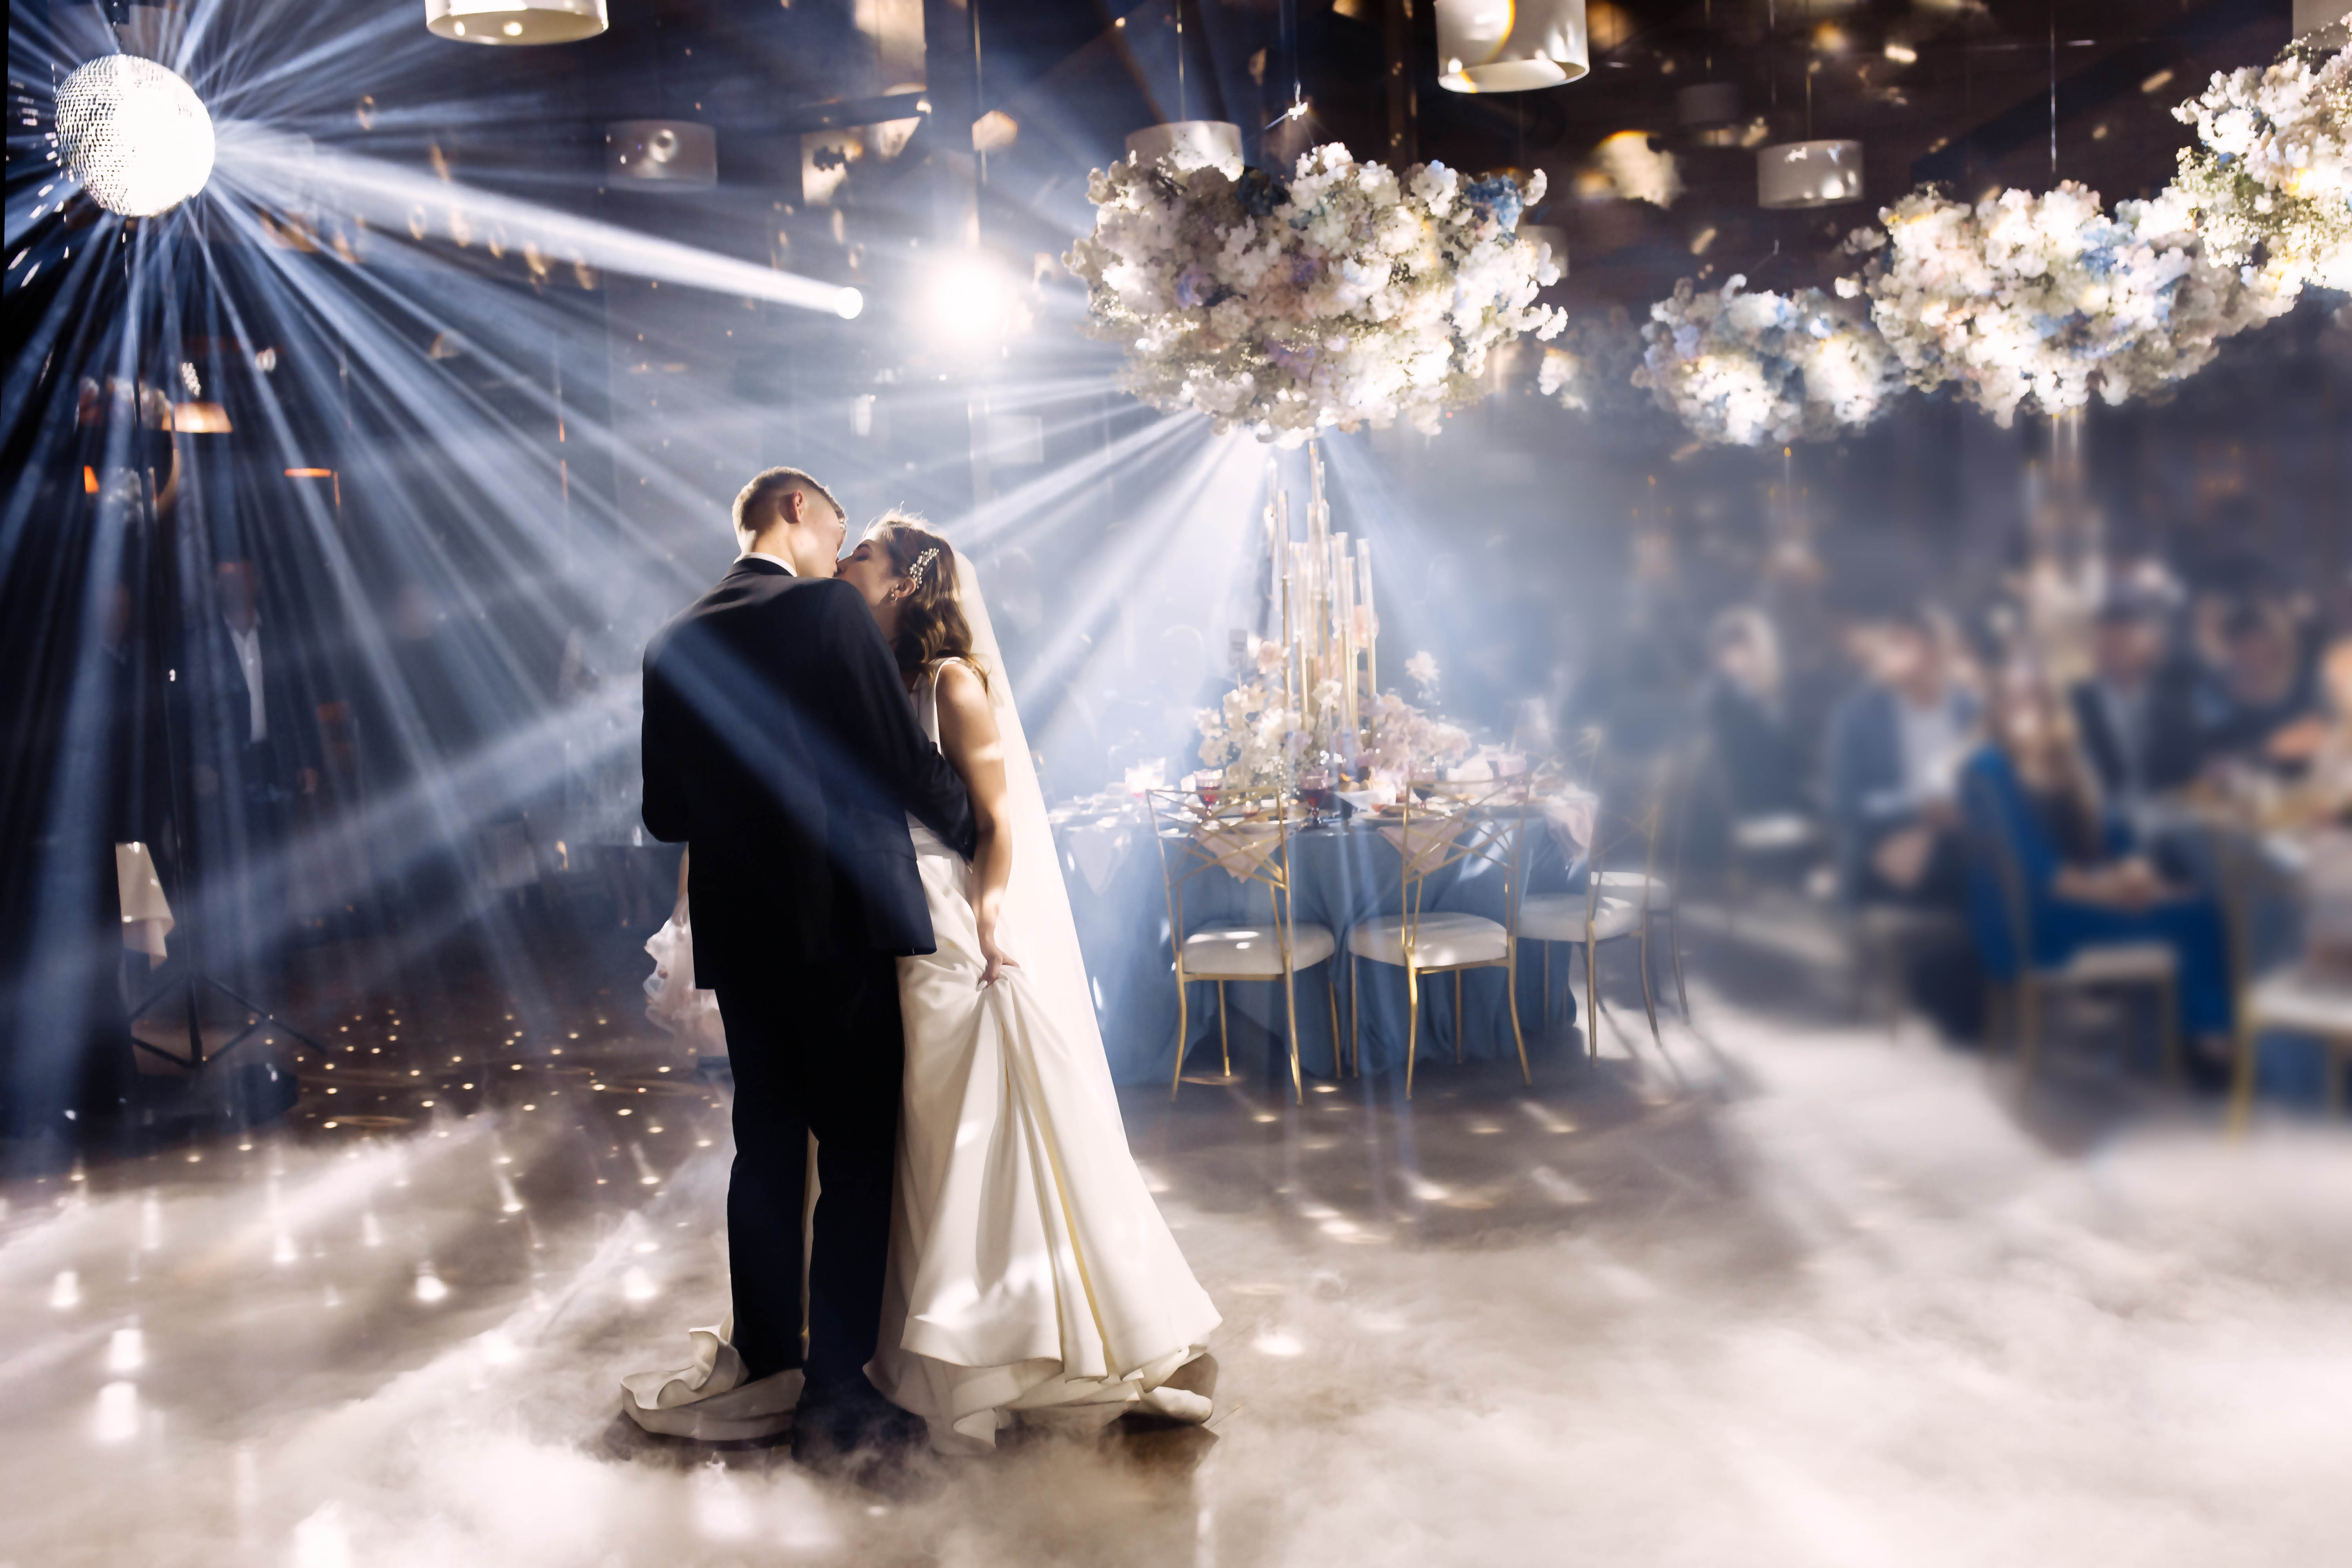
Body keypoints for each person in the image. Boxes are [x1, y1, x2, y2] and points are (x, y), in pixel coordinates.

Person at [837, 515, 1218, 1454]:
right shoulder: (875, 682)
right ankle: (954, 1348)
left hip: (951, 924)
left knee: (980, 1135)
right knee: (924, 1139)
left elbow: (999, 821)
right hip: (884, 924)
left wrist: (993, 910)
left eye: (863, 554)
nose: (846, 561)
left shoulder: (953, 684)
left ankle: (1014, 1352)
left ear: (902, 584)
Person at [632, 467, 978, 1464]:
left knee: (768, 1142)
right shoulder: (826, 609)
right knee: (861, 1154)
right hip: (841, 917)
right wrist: (979, 830)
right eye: (836, 524)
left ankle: (768, 1356)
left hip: (742, 937)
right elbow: (897, 761)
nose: (841, 546)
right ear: (795, 512)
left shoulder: (672, 641)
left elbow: (664, 814)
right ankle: (837, 1393)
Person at [1960, 665, 2234, 1067]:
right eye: (2010, 697)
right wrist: (2112, 893)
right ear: (1995, 707)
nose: (2022, 707)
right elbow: (2032, 865)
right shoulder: (1986, 767)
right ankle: (2209, 1046)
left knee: (2198, 903)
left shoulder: (2070, 761)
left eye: (2033, 696)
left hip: (2085, 900)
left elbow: (2116, 833)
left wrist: (2137, 869)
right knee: (2196, 918)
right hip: (2027, 920)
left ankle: (2195, 1041)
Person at [1826, 606, 1978, 908]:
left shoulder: (1969, 709)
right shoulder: (1856, 717)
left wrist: (1945, 819)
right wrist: (1919, 809)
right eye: (1888, 643)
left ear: (1935, 652)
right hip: (1888, 843)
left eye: (1902, 642)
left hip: (1968, 836)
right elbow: (1847, 804)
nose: (1889, 653)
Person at [2068, 591, 2201, 805]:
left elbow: (2189, 769)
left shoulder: (2174, 704)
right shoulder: (2075, 704)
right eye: (2107, 641)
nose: (2116, 649)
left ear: (2150, 647)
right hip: (2101, 819)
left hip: (2171, 815)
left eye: (2125, 640)